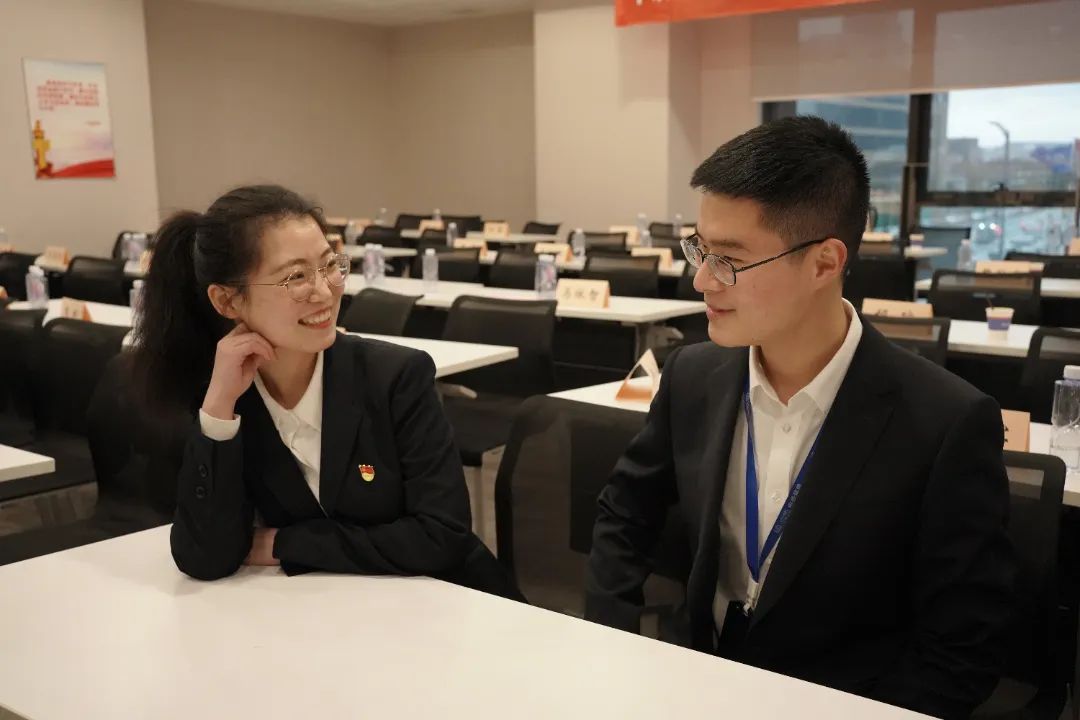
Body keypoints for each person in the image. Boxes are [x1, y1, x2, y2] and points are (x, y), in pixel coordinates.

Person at [584, 117, 1014, 718]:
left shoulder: (944, 421)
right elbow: (625, 513)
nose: (702, 279)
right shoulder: (693, 377)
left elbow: (961, 651)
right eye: (699, 249)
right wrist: (613, 645)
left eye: (729, 259)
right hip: (694, 683)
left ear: (823, 263)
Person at [131, 184, 520, 599]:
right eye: (295, 277)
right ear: (227, 301)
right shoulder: (225, 396)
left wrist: (284, 543)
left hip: (451, 602)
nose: (325, 291)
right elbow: (204, 558)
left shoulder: (395, 376)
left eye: (330, 265)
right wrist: (218, 409)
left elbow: (442, 537)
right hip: (331, 612)